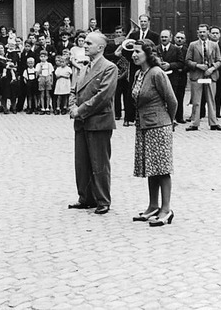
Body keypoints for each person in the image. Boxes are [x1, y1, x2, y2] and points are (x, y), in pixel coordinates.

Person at [68, 32, 118, 215]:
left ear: (100, 47)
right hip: (81, 122)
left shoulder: (109, 68)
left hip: (99, 122)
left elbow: (103, 96)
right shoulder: (84, 67)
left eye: (89, 43)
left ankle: (103, 199)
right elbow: (74, 90)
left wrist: (80, 110)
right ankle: (85, 197)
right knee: (81, 163)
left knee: (99, 163)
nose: (85, 45)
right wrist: (72, 105)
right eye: (85, 43)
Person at [130, 39, 177, 227]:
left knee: (162, 168)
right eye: (133, 52)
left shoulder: (157, 73)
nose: (134, 55)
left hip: (159, 126)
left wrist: (169, 121)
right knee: (151, 167)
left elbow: (172, 100)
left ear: (148, 54)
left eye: (138, 52)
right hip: (143, 125)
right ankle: (153, 206)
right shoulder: (139, 73)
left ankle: (166, 210)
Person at [185, 23, 221, 131]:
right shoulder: (193, 45)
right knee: (196, 101)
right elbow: (187, 60)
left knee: (211, 99)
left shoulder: (214, 45)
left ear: (208, 32)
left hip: (210, 76)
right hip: (197, 76)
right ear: (198, 33)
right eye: (200, 32)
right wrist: (198, 65)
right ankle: (194, 123)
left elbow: (219, 60)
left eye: (204, 31)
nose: (202, 34)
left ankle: (213, 123)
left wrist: (212, 69)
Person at [155, 29, 185, 123]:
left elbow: (181, 63)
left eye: (166, 37)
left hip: (173, 78)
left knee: (173, 98)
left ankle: (174, 118)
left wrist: (170, 65)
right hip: (159, 78)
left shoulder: (176, 49)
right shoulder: (156, 49)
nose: (164, 39)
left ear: (170, 38)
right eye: (162, 37)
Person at [208, 26, 221, 118]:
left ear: (220, 35)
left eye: (217, 33)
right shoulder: (206, 44)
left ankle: (216, 112)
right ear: (209, 34)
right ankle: (202, 112)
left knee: (218, 93)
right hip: (207, 72)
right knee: (205, 93)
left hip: (219, 73)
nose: (215, 35)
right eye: (213, 33)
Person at [173, 31, 189, 122]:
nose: (179, 39)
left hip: (182, 76)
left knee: (180, 96)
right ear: (174, 38)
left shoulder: (187, 50)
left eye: (182, 38)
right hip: (172, 75)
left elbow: (188, 62)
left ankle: (179, 117)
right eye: (178, 37)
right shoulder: (171, 49)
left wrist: (183, 69)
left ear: (185, 40)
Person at [35, 50, 54, 114]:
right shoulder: (38, 64)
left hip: (48, 78)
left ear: (47, 57)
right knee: (42, 94)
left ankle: (47, 107)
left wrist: (51, 81)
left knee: (48, 94)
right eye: (41, 56)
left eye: (44, 56)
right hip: (41, 78)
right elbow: (37, 74)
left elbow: (51, 74)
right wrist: (40, 67)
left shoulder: (49, 64)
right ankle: (42, 108)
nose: (43, 58)